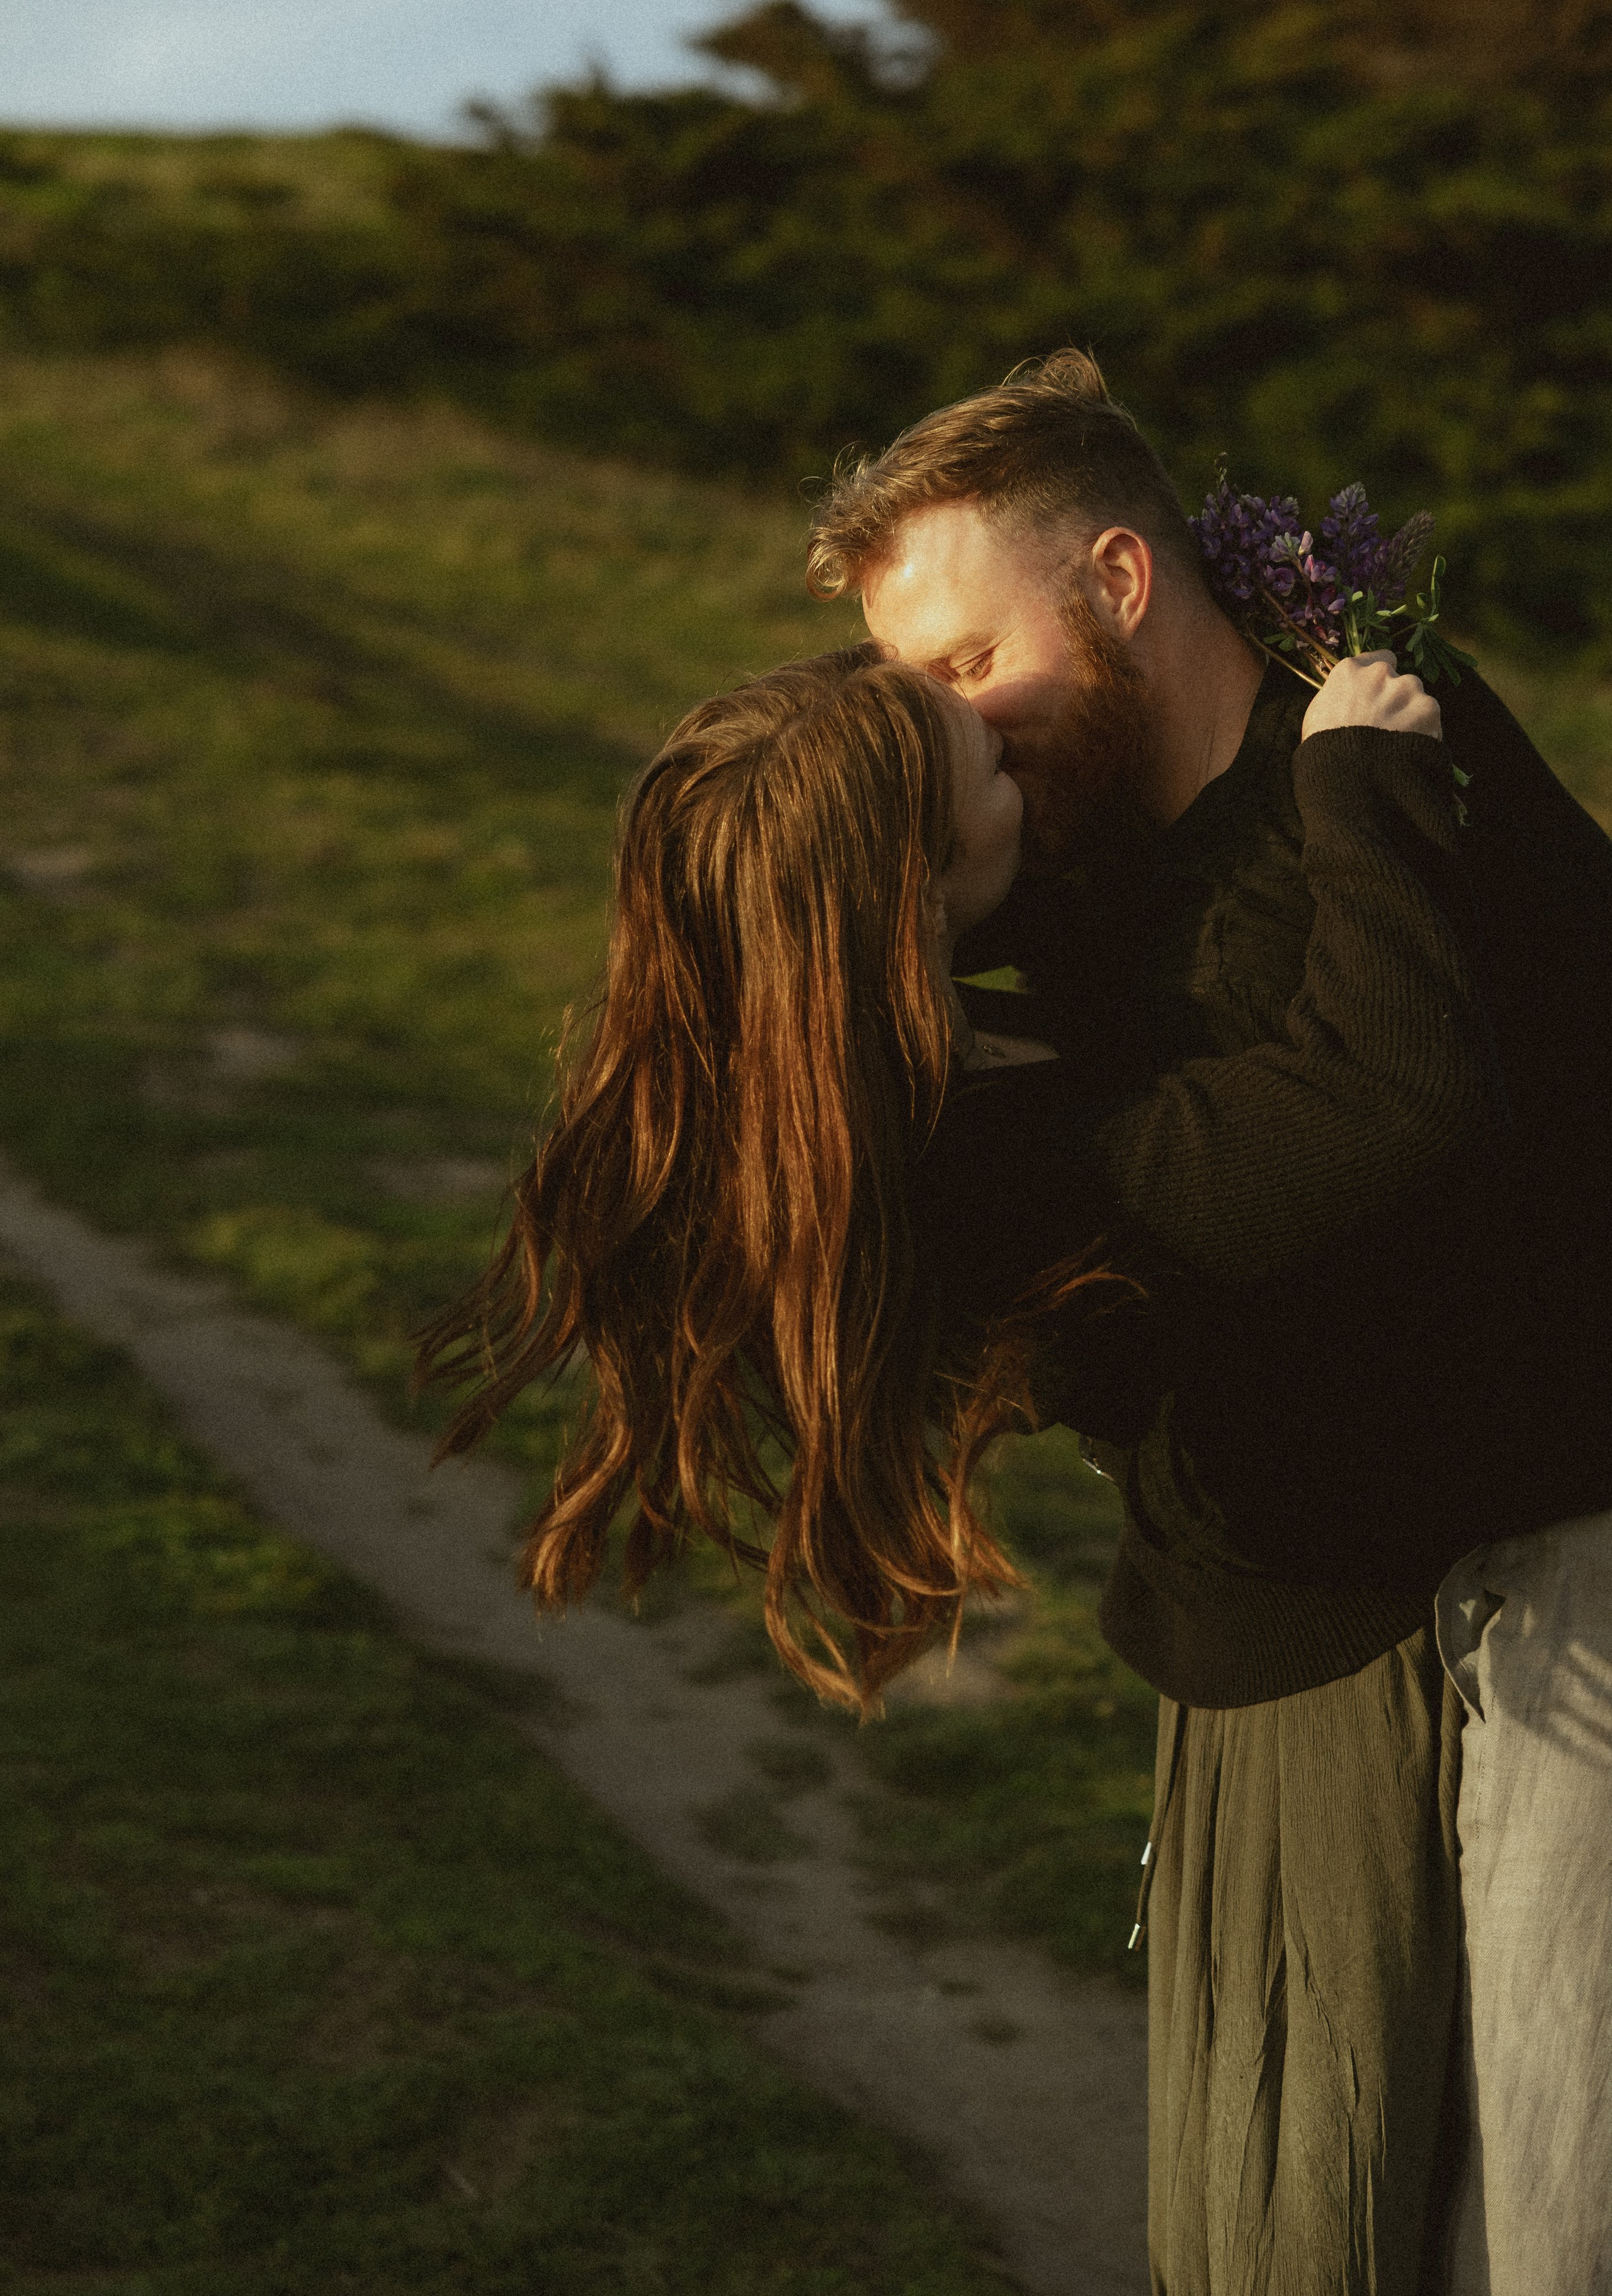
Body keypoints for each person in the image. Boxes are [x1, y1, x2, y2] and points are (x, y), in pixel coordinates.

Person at [419, 632, 1501, 2290]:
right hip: (1316, 1648)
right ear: (909, 894)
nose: (1016, 751)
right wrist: (1356, 781)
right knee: (1332, 2162)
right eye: (980, 766)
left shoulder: (904, 1062)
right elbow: (1378, 1096)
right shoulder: (1007, 1160)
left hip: (1283, 1602)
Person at [805, 349, 1612, 2295]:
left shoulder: (1379, 784)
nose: (946, 727)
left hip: (1548, 1559)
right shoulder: (1071, 866)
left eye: (967, 661)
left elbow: (1447, 1103)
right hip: (1314, 1626)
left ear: (1122, 580)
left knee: (1546, 2200)